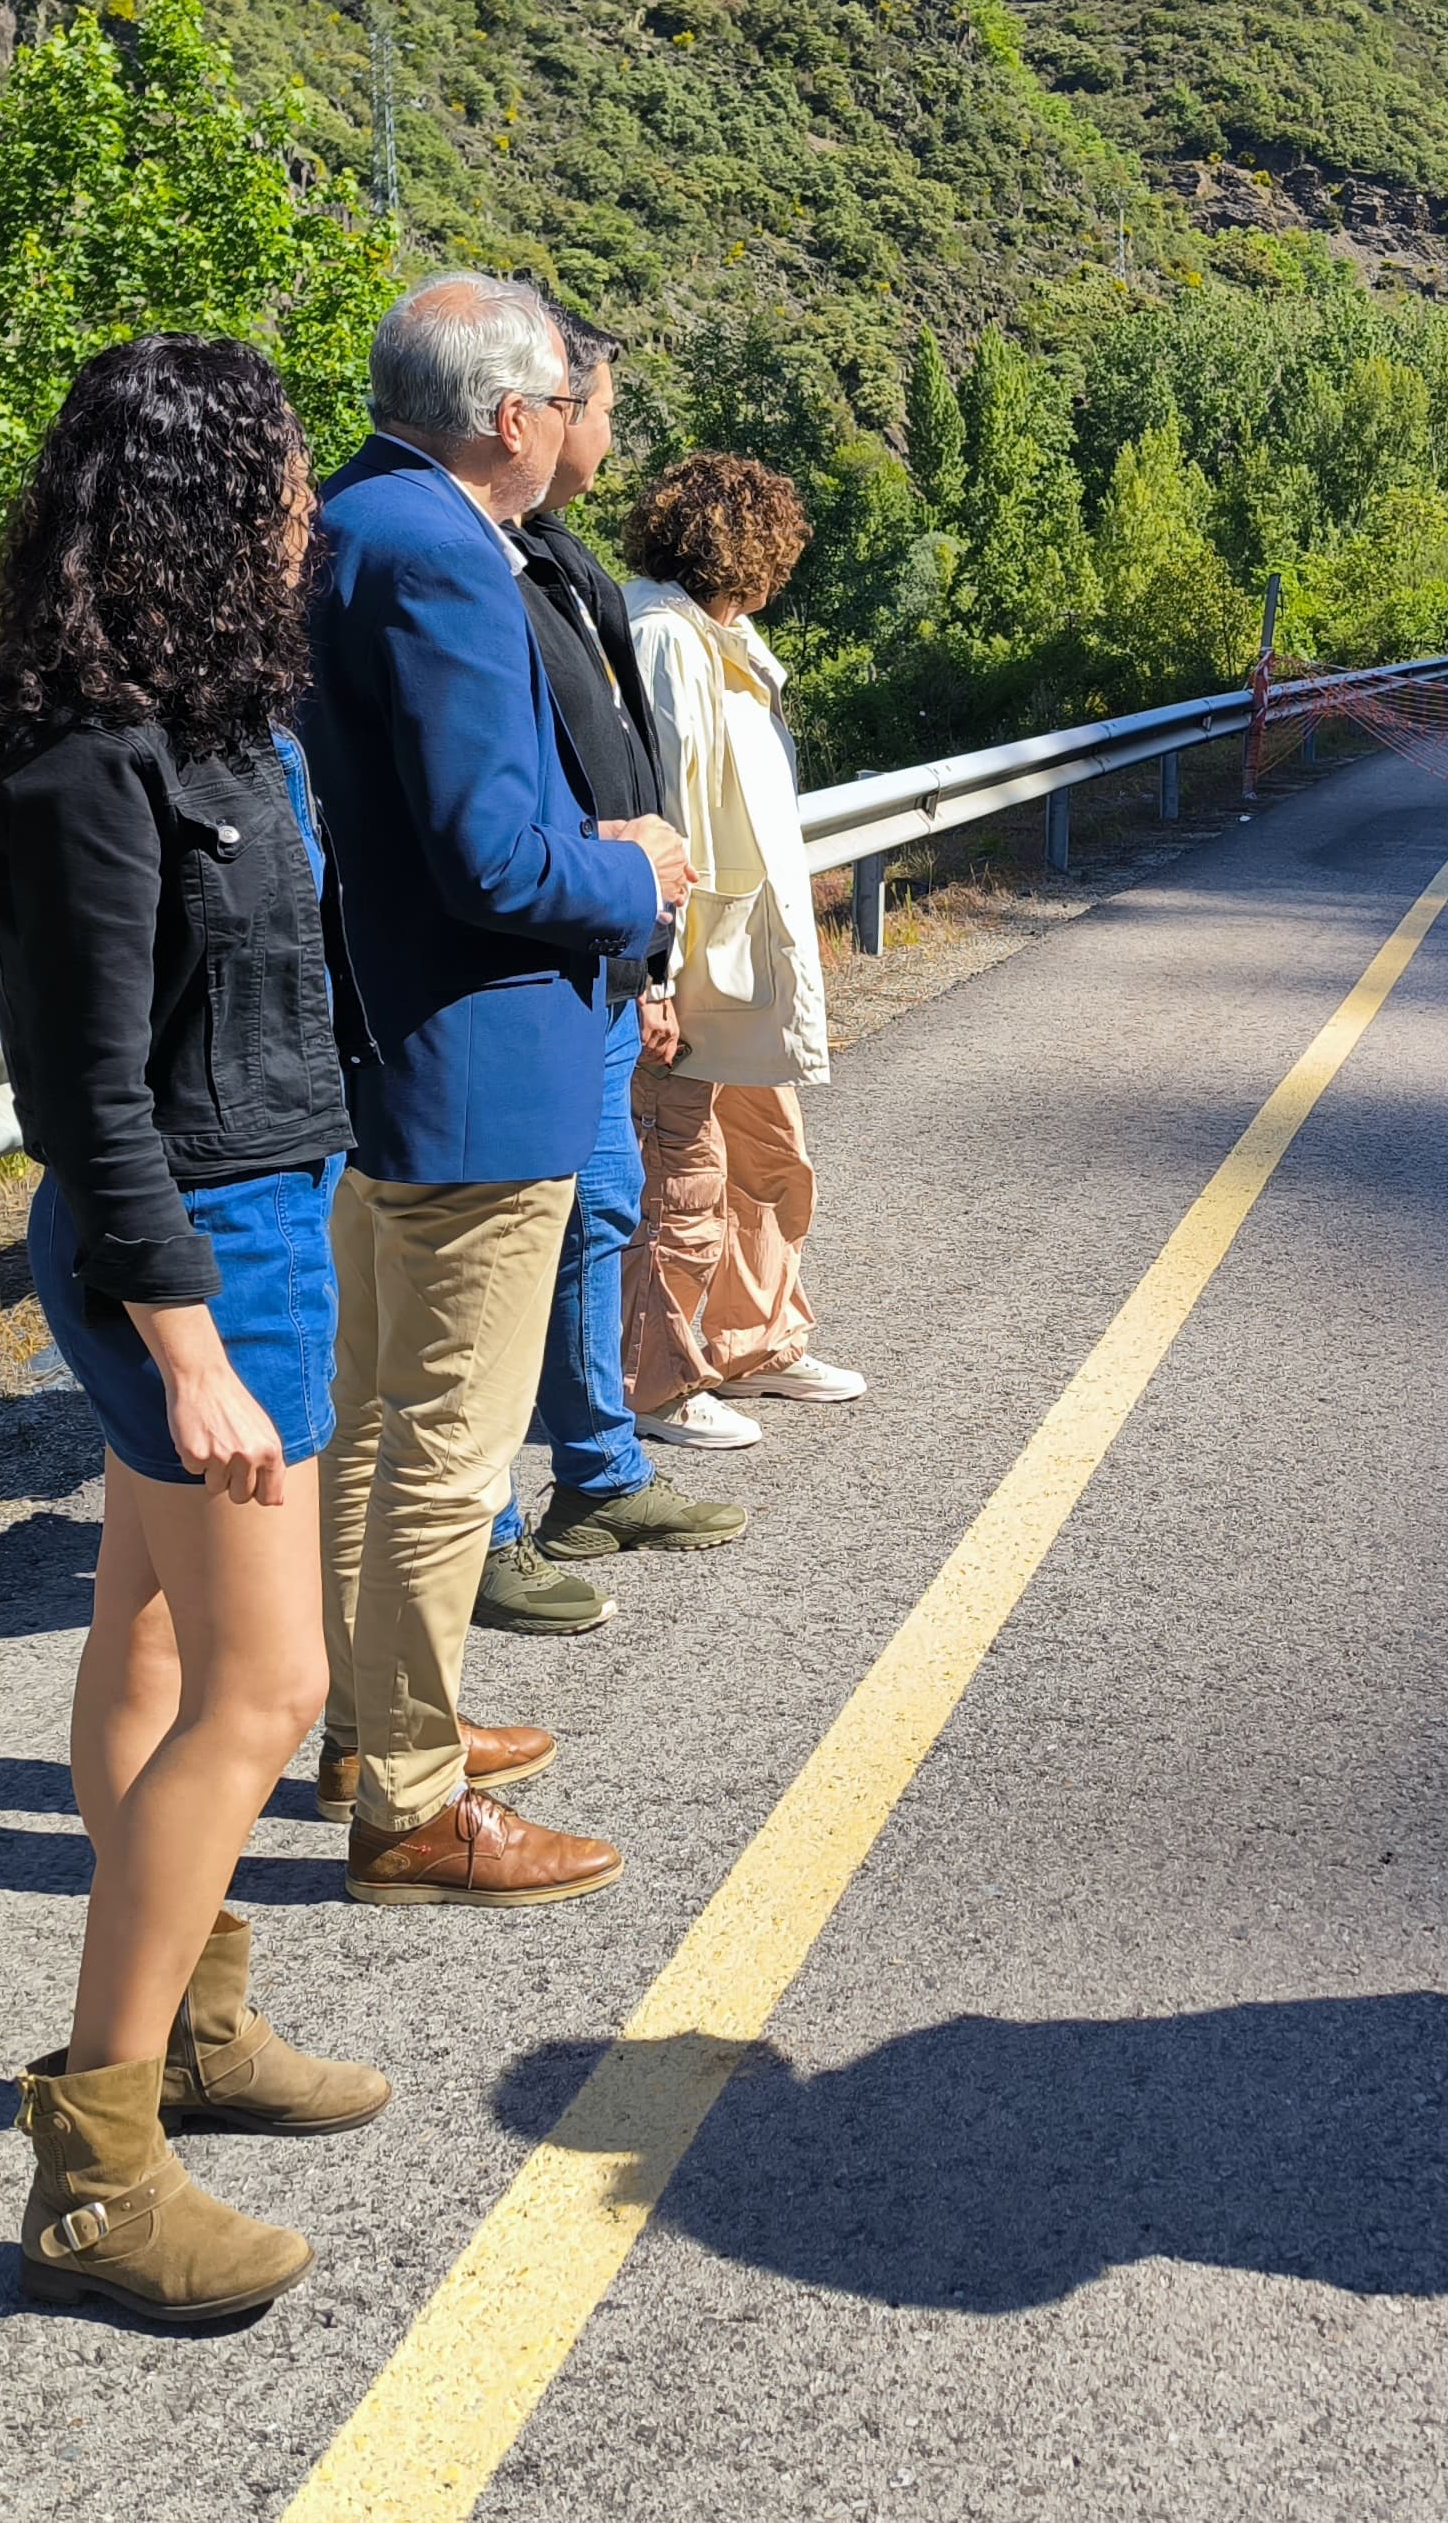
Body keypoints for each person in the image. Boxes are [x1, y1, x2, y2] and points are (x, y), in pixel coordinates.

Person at [0, 334, 385, 2323]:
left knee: (144, 1635)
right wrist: (189, 1339)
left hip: (251, 1212)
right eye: (283, 485)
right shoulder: (81, 757)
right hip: (190, 1249)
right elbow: (85, 1089)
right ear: (209, 506)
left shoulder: (215, 719)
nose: (309, 517)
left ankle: (197, 2027)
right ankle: (101, 2170)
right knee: (264, 1691)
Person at [303, 272, 696, 1908]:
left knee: (374, 1412)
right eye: (553, 398)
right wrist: (635, 878)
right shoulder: (450, 555)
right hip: (482, 1051)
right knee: (445, 1447)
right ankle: (408, 1794)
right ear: (506, 414)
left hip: (396, 1041)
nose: (558, 424)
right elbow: (487, 850)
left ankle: (369, 1715)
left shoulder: (350, 518)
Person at [476, 307, 754, 1629]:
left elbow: (612, 759)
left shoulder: (551, 559)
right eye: (601, 409)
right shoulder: (456, 562)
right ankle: (476, 1525)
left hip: (594, 950)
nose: (611, 434)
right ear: (535, 409)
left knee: (594, 1213)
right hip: (512, 966)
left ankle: (595, 1469)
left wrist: (644, 956)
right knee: (483, 1257)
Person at [616, 451, 865, 1449]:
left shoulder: (724, 638)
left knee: (768, 1157)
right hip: (693, 964)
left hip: (746, 962)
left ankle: (755, 1343)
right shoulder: (662, 640)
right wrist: (656, 969)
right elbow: (667, 812)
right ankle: (659, 1381)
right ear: (747, 545)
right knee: (680, 1173)